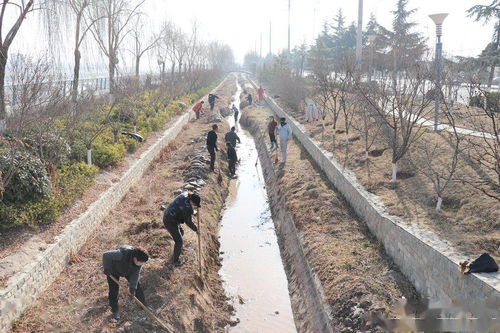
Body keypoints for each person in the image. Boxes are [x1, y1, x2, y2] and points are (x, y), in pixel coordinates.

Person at [103, 245, 150, 320]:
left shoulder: (138, 262)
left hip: (127, 271)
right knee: (113, 291)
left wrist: (132, 288)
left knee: (137, 286)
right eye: (140, 262)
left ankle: (143, 305)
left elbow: (135, 275)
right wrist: (106, 268)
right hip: (113, 271)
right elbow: (106, 255)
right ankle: (115, 310)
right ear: (135, 258)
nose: (141, 264)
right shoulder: (121, 254)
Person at [163, 193, 201, 266]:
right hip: (170, 222)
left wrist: (192, 212)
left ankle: (179, 249)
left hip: (168, 214)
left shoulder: (183, 195)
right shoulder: (188, 208)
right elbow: (189, 222)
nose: (194, 206)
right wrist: (196, 229)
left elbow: (182, 209)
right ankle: (175, 261)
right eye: (195, 205)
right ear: (192, 202)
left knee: (181, 232)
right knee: (179, 241)